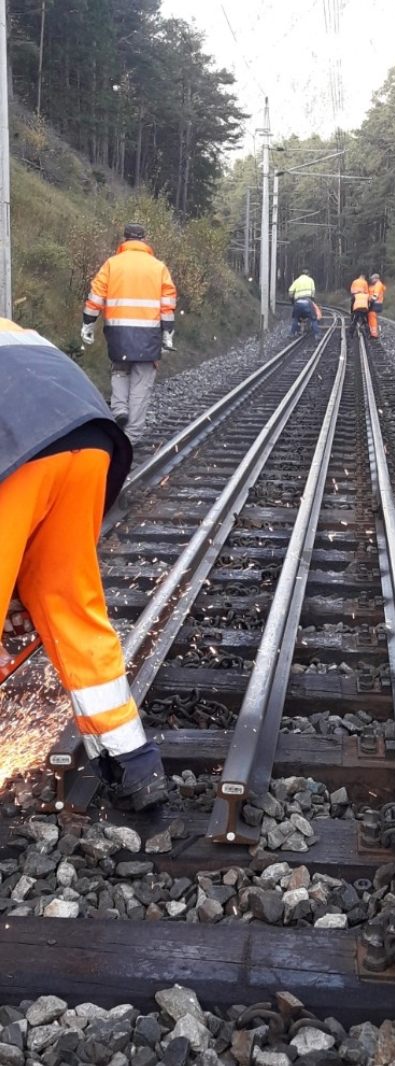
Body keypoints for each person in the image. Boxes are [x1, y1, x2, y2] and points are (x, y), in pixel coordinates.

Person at [0, 317, 168, 810]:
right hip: (88, 438)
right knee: (70, 607)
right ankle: (135, 765)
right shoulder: (14, 327)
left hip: (15, 452)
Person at [80, 222, 177, 436]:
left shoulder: (111, 264)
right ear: (144, 240)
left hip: (118, 332)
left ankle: (120, 409)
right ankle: (132, 435)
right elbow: (167, 303)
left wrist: (88, 323)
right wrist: (167, 332)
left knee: (120, 371)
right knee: (142, 382)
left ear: (124, 239)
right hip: (148, 334)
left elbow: (96, 296)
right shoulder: (158, 267)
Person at [288, 268, 320, 338]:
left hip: (298, 302)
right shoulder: (310, 280)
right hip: (308, 301)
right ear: (308, 274)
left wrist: (292, 301)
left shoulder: (297, 281)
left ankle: (291, 334)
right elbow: (313, 292)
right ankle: (317, 335)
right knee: (313, 318)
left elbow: (290, 292)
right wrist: (312, 300)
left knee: (296, 318)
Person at [367, 273, 386, 339]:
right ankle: (373, 333)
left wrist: (369, 300)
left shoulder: (378, 285)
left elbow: (375, 295)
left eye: (372, 279)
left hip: (375, 304)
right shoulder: (377, 285)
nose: (371, 280)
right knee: (371, 317)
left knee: (372, 317)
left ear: (376, 279)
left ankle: (374, 334)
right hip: (377, 304)